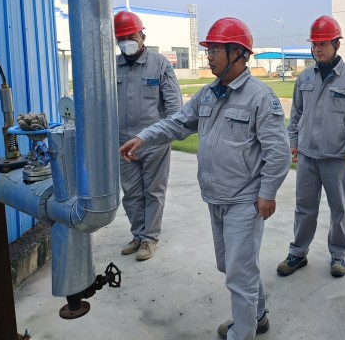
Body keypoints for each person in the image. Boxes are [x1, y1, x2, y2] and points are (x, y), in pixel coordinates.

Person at [119, 17, 290, 340]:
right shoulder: (208, 94)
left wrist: (267, 193)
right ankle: (258, 316)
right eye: (208, 50)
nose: (208, 57)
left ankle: (243, 332)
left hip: (244, 200)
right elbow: (176, 123)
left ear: (237, 53)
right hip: (216, 197)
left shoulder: (260, 98)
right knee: (231, 265)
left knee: (238, 273)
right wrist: (143, 138)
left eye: (214, 51)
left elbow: (278, 153)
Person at [277, 15, 345, 278]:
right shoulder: (305, 77)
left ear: (336, 44)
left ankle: (338, 255)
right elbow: (296, 114)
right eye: (315, 44)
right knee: (304, 207)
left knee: (338, 209)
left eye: (323, 43)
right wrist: (293, 142)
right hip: (307, 156)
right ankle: (298, 252)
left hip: (336, 157)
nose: (317, 49)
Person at [114, 11, 183, 261]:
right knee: (131, 193)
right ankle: (137, 235)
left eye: (130, 36)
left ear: (142, 36)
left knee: (153, 191)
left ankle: (149, 238)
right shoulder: (112, 66)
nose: (126, 42)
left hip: (154, 143)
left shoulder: (160, 64)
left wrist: (165, 136)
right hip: (124, 144)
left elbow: (174, 107)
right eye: (121, 38)